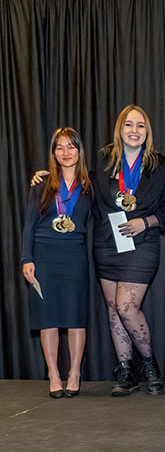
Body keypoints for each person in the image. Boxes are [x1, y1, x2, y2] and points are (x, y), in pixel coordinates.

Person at [93, 105, 165, 396]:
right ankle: (125, 371)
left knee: (127, 307)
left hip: (142, 242)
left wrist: (146, 221)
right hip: (107, 243)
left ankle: (149, 363)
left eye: (141, 126)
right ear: (120, 129)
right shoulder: (104, 160)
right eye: (129, 125)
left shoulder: (159, 165)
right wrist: (45, 177)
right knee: (114, 309)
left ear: (147, 132)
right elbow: (79, 185)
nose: (134, 131)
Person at [21, 128, 93, 398]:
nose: (65, 152)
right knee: (47, 318)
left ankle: (74, 373)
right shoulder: (41, 184)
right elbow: (29, 224)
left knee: (76, 318)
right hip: (44, 256)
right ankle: (53, 373)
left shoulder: (89, 186)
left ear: (79, 150)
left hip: (74, 257)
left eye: (71, 146)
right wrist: (26, 258)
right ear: (53, 153)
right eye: (59, 147)